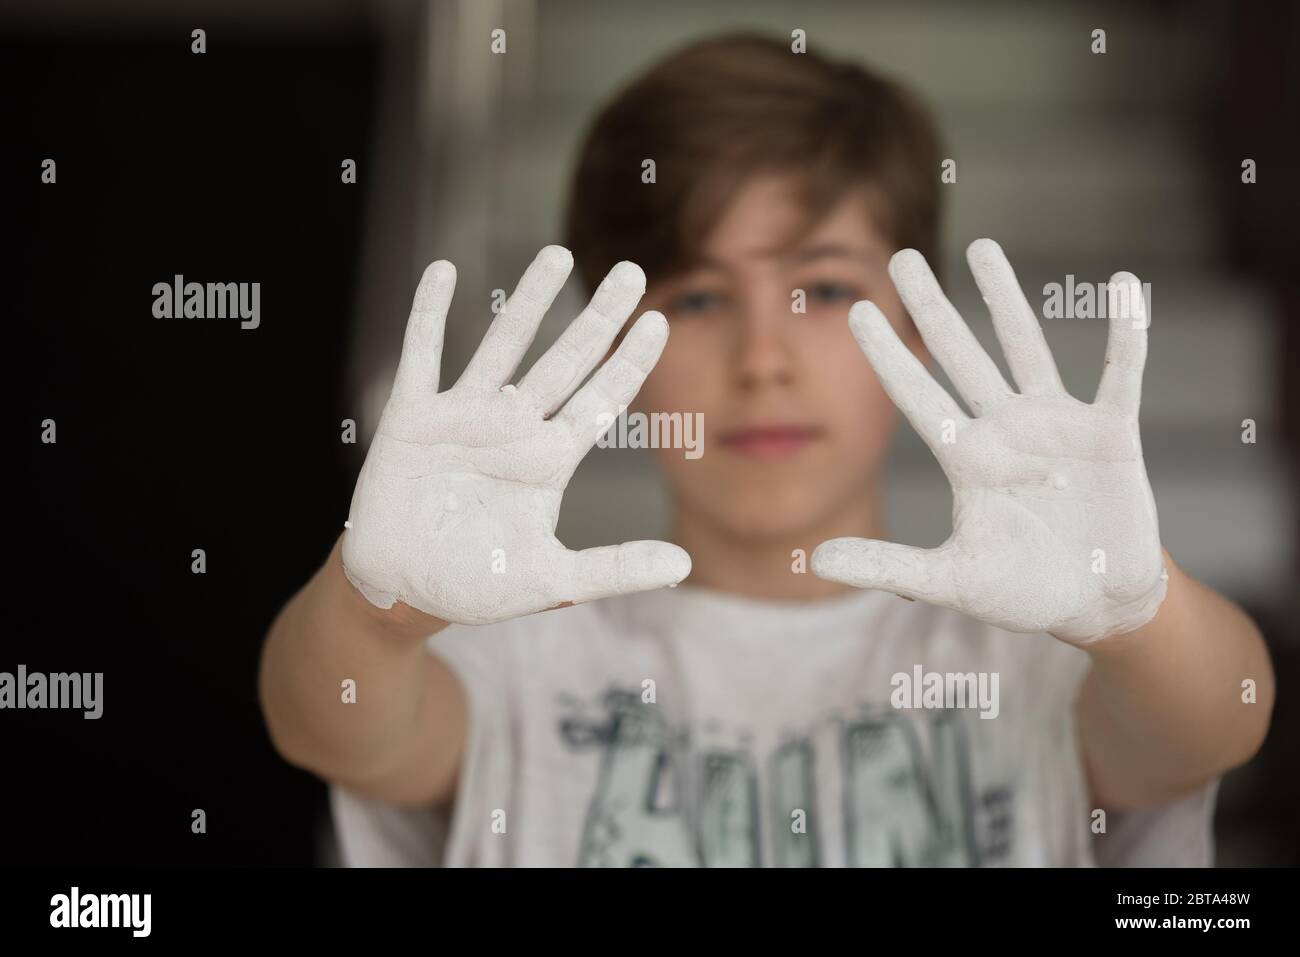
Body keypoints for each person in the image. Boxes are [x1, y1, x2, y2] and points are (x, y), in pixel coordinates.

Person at [258, 34, 1274, 867]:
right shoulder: (511, 657)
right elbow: (325, 726)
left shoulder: (1035, 656)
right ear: (611, 347)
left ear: (916, 331)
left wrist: (1134, 612)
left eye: (825, 289)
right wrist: (374, 611)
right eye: (696, 298)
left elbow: (1220, 718)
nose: (762, 358)